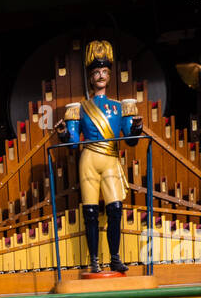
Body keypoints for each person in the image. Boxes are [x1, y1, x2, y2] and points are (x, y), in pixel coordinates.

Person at [57, 39, 142, 274]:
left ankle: (115, 257)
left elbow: (131, 140)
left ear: (110, 74)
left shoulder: (120, 106)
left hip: (110, 158)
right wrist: (64, 134)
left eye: (105, 71)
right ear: (90, 76)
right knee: (91, 212)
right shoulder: (79, 108)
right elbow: (74, 143)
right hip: (89, 161)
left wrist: (136, 128)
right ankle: (94, 260)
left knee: (115, 209)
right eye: (97, 72)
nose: (101, 75)